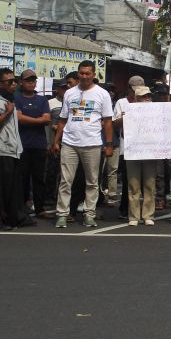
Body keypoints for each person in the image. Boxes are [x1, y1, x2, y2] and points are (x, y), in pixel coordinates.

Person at [51, 61, 114, 228]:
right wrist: (56, 141)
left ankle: (89, 214)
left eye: (87, 73)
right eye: (81, 73)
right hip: (69, 143)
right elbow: (63, 119)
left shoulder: (102, 94)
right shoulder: (70, 93)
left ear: (94, 75)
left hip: (92, 143)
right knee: (65, 180)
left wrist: (109, 144)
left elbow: (108, 121)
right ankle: (62, 214)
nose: (84, 76)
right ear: (78, 74)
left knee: (92, 181)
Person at [14, 69, 51, 219]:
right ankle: (22, 207)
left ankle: (40, 208)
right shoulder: (16, 98)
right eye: (28, 80)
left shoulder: (42, 100)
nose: (31, 83)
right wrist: (38, 120)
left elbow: (47, 119)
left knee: (39, 178)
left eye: (33, 80)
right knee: (22, 177)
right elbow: (18, 118)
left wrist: (27, 118)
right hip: (22, 144)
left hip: (39, 144)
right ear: (21, 82)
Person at [124, 86, 159, 226]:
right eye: (144, 96)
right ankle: (133, 216)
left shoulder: (156, 112)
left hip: (150, 152)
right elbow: (117, 124)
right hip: (133, 152)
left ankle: (148, 215)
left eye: (148, 96)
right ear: (136, 98)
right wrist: (125, 116)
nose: (147, 99)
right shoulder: (128, 110)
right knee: (133, 185)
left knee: (149, 184)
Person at [113, 76, 146, 220]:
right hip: (127, 147)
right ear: (129, 88)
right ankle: (125, 208)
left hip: (145, 146)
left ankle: (144, 210)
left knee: (146, 180)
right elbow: (115, 122)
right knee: (129, 181)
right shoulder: (122, 102)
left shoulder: (147, 102)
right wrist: (127, 116)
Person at [0, 68, 24, 230]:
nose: (14, 84)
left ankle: (13, 218)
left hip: (14, 150)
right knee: (2, 189)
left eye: (14, 81)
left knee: (13, 188)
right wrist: (7, 112)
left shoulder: (11, 100)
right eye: (10, 82)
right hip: (2, 150)